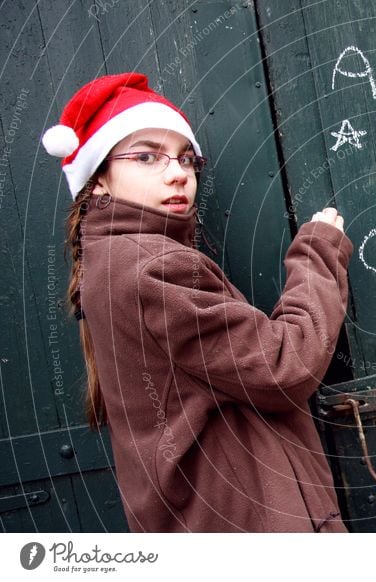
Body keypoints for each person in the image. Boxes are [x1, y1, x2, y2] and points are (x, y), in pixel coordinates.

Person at [42, 72, 352, 532]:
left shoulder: (111, 261)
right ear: (99, 180)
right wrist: (319, 254)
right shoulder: (152, 267)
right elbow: (285, 366)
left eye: (186, 159)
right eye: (147, 156)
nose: (177, 173)